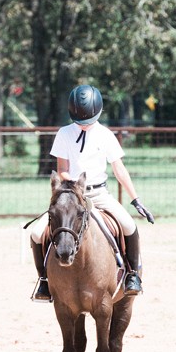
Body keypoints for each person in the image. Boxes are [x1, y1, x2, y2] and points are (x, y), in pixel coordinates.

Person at [29, 84, 154, 302]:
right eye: (80, 121)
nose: (84, 125)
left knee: (129, 225)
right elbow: (62, 169)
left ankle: (132, 275)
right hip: (71, 195)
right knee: (37, 233)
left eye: (88, 121)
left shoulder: (105, 135)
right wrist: (75, 188)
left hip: (99, 194)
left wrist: (136, 199)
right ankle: (44, 281)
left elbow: (119, 169)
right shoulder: (64, 133)